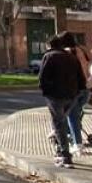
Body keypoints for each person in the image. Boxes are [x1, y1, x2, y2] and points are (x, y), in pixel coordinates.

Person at [38, 32, 85, 168]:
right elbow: (81, 78)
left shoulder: (49, 56)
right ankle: (60, 150)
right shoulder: (71, 57)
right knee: (61, 122)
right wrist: (76, 93)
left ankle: (65, 155)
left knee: (59, 124)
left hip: (55, 96)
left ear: (49, 45)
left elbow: (42, 77)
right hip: (71, 96)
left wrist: (46, 92)